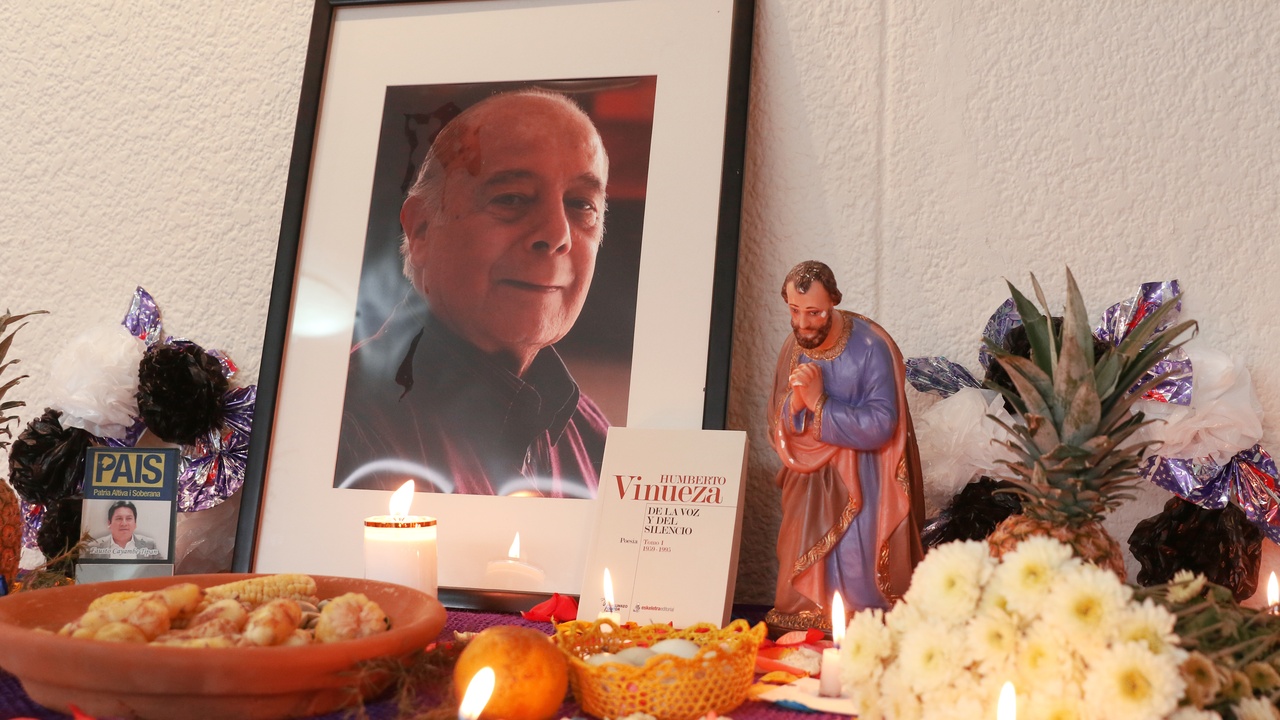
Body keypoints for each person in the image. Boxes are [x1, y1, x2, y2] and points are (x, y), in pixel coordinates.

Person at [334, 89, 611, 498]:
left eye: (581, 204)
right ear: (422, 230)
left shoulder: (592, 435)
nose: (557, 235)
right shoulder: (348, 429)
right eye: (512, 198)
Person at [765, 261, 925, 632]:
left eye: (814, 313)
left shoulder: (870, 348)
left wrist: (821, 404)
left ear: (834, 302)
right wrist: (796, 407)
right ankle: (804, 614)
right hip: (808, 479)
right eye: (794, 311)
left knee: (856, 562)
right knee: (797, 559)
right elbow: (776, 416)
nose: (803, 324)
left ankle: (860, 616)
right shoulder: (793, 346)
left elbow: (883, 424)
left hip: (865, 481)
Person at [83, 501, 161, 560]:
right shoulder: (93, 547)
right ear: (109, 523)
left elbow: (162, 572)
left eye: (129, 518)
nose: (124, 523)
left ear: (135, 523)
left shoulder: (150, 545)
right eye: (119, 518)